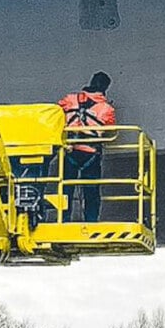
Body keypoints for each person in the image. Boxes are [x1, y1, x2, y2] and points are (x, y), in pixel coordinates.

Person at [58, 71, 115, 222]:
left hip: (70, 150)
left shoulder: (70, 99)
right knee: (91, 192)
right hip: (91, 154)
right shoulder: (106, 109)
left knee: (65, 189)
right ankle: (91, 221)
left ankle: (63, 220)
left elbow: (56, 113)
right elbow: (109, 130)